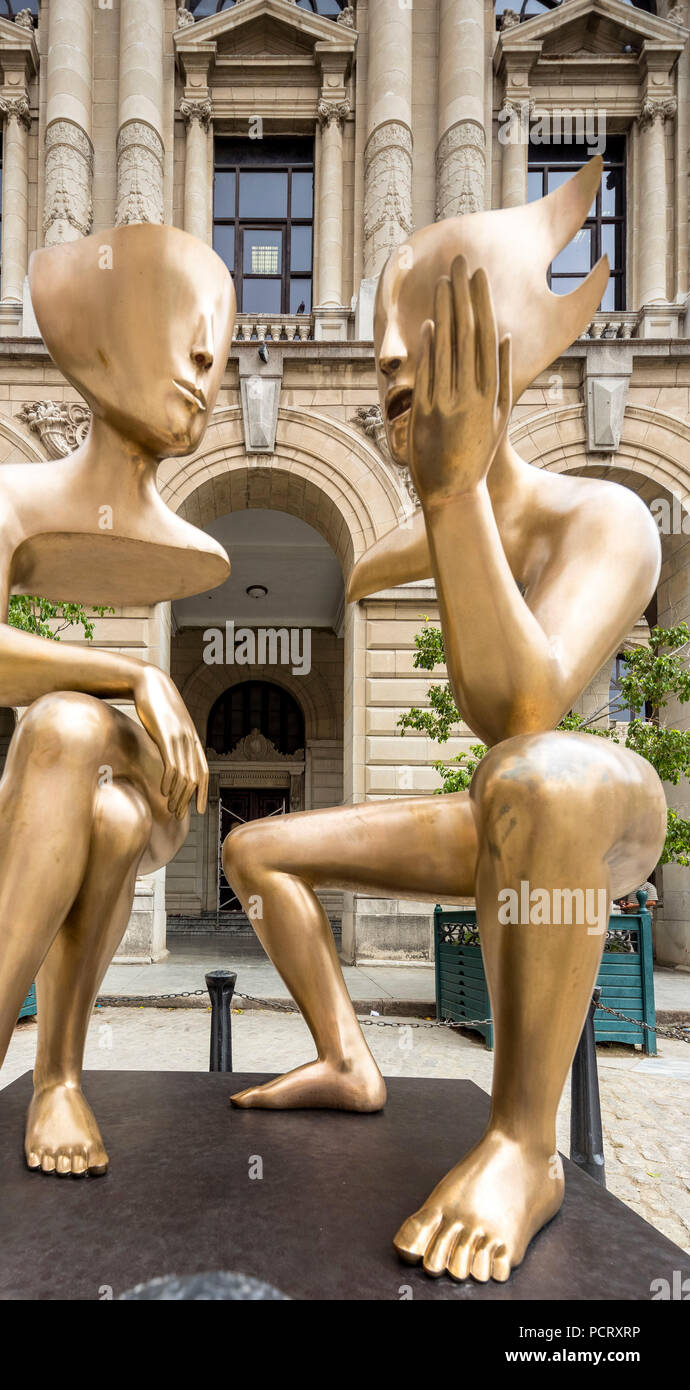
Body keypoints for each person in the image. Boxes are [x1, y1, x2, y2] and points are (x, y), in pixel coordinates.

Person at [221, 158, 665, 1284]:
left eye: (419, 328)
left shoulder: (603, 518)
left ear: (495, 351)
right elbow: (388, 584)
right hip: (496, 808)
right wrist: (437, 506)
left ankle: (525, 1147)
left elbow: (520, 704)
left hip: (594, 813)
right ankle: (344, 1058)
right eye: (381, 332)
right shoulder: (434, 524)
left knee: (539, 774)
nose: (381, 359)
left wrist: (454, 491)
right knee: (254, 847)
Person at [0, 223, 236, 1242]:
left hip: (144, 790)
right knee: (71, 735)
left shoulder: (195, 546)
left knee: (95, 766)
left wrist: (131, 708)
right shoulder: (4, 495)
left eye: (223, 348)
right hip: (46, 800)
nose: (211, 363)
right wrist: (130, 675)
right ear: (106, 337)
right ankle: (19, 1078)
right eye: (188, 335)